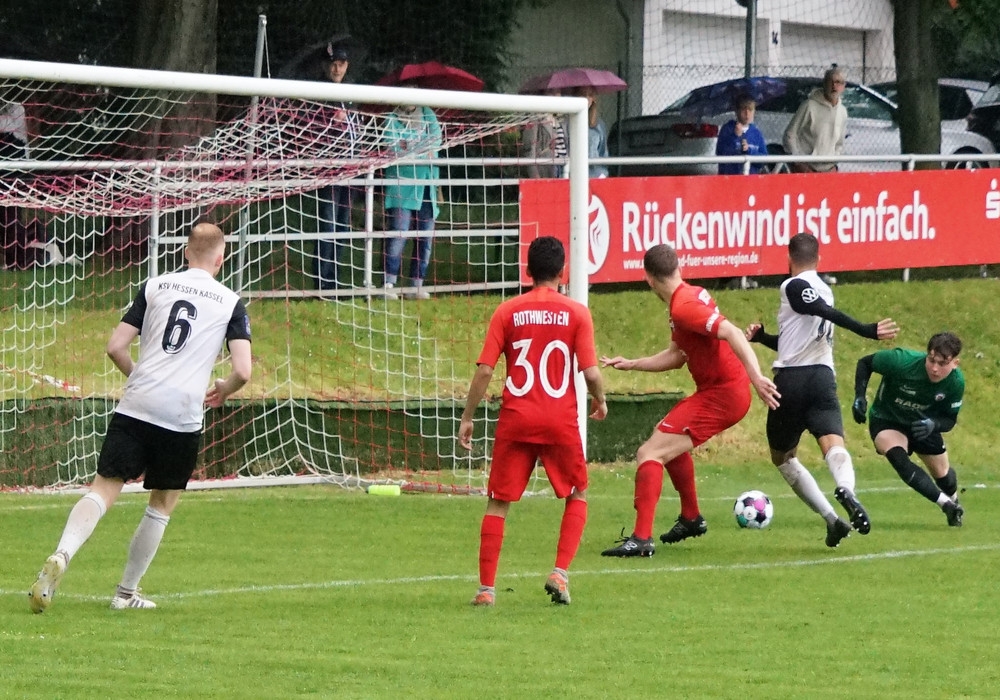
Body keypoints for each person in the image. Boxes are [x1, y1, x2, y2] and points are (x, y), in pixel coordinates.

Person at [28, 222, 252, 612]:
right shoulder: (230, 302)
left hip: (138, 404)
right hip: (181, 414)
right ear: (221, 258)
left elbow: (116, 347)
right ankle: (125, 593)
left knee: (102, 489)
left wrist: (140, 377)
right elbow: (243, 371)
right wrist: (224, 389)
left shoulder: (155, 286)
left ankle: (62, 553)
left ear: (185, 252)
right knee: (161, 503)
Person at [600, 243, 780, 557]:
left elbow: (731, 332)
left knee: (649, 453)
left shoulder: (683, 306)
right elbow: (678, 355)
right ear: (678, 268)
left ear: (649, 279)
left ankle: (641, 539)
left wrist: (756, 376)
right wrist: (632, 363)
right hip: (719, 391)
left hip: (724, 394)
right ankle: (691, 518)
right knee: (666, 438)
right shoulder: (688, 297)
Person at [459, 236, 607, 606]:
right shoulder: (577, 313)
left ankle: (486, 590)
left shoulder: (507, 311)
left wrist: (468, 416)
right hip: (559, 421)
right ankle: (559, 572)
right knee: (578, 493)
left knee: (498, 502)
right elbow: (590, 372)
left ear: (528, 271)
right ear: (563, 272)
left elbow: (484, 370)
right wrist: (601, 399)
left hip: (517, 419)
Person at [745, 232, 899, 548]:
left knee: (783, 457)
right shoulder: (826, 289)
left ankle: (831, 517)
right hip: (822, 379)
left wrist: (867, 330)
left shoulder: (793, 285)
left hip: (791, 381)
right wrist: (763, 338)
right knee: (833, 444)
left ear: (789, 258)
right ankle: (846, 490)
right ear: (819, 258)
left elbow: (819, 310)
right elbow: (796, 339)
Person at [852, 332, 965, 526]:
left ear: (955, 363)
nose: (935, 368)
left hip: (922, 424)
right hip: (887, 419)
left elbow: (949, 420)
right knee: (899, 458)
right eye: (931, 360)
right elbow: (865, 363)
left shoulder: (956, 383)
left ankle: (953, 500)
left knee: (944, 476)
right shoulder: (901, 361)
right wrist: (860, 396)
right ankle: (945, 505)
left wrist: (933, 425)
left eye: (942, 364)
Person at [382, 100, 443, 300]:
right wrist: (420, 150)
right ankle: (388, 283)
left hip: (427, 185)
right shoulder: (391, 119)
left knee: (425, 236)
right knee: (398, 234)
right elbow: (393, 149)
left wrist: (411, 147)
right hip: (401, 185)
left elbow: (436, 142)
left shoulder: (428, 115)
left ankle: (416, 284)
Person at [314, 41, 358, 292]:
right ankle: (323, 281)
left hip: (350, 171)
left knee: (342, 226)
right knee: (327, 224)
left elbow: (358, 130)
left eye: (341, 64)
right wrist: (332, 122)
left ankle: (335, 279)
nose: (337, 69)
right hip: (329, 171)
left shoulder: (352, 94)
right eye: (333, 64)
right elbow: (310, 132)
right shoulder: (320, 94)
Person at [782, 65, 848, 174]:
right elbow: (790, 135)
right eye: (830, 82)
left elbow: (839, 143)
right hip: (806, 169)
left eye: (838, 82)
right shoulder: (809, 106)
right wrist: (798, 162)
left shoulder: (842, 112)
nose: (834, 86)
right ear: (824, 84)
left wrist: (834, 164)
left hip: (829, 171)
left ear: (844, 86)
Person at [715, 94, 769, 175]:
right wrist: (735, 137)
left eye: (750, 110)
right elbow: (721, 153)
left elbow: (763, 159)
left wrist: (749, 151)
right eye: (744, 109)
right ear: (737, 111)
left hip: (750, 179)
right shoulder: (727, 129)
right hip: (730, 178)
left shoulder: (756, 133)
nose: (747, 114)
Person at [521, 88, 568, 178]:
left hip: (565, 169)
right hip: (546, 169)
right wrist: (535, 175)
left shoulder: (563, 119)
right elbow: (529, 148)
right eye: (551, 92)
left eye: (558, 92)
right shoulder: (534, 118)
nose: (555, 96)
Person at [574, 86, 609, 178]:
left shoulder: (599, 124)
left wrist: (602, 174)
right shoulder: (568, 123)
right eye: (582, 94)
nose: (586, 98)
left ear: (594, 99)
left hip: (596, 174)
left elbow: (603, 152)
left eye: (590, 95)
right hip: (574, 174)